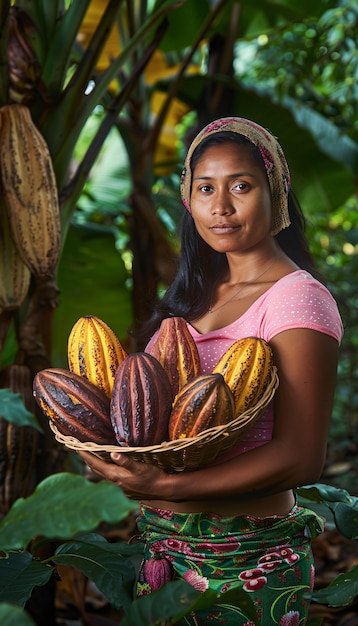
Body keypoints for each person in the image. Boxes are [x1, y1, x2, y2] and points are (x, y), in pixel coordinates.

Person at [78, 117, 344, 625]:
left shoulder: (296, 298)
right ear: (188, 199)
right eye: (205, 188)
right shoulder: (194, 299)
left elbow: (301, 457)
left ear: (277, 193)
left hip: (246, 561)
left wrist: (167, 488)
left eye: (240, 186)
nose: (220, 206)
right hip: (162, 558)